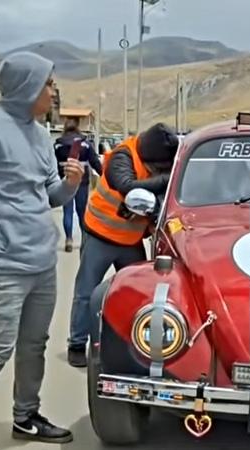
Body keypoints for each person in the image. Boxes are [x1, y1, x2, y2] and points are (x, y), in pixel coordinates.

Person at [0, 52, 83, 447]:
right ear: (26, 85)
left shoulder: (40, 133)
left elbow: (47, 196)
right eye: (48, 83)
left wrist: (70, 185)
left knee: (33, 347)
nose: (53, 92)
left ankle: (25, 416)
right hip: (0, 264)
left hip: (41, 262)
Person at [67, 122, 179, 367]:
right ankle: (77, 343)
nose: (158, 172)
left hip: (130, 240)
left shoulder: (162, 163)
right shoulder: (123, 156)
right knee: (86, 292)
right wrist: (166, 179)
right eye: (157, 168)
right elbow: (127, 187)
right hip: (100, 234)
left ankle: (135, 343)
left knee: (138, 294)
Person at [54, 119, 103, 252]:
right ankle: (84, 240)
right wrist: (104, 175)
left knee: (67, 211)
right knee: (82, 213)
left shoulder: (58, 145)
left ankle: (69, 239)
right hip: (82, 181)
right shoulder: (85, 144)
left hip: (65, 182)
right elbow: (95, 162)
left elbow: (54, 165)